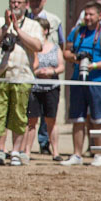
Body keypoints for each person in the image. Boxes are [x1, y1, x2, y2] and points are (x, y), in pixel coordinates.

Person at [0, 0, 44, 166]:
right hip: (0, 75)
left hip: (22, 76)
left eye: (19, 2)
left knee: (19, 115)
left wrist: (18, 30)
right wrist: (6, 28)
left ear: (25, 5)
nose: (15, 5)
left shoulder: (33, 25)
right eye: (13, 2)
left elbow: (38, 46)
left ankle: (16, 152)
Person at [61, 1, 101, 167]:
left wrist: (94, 65)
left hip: (98, 81)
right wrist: (76, 58)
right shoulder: (77, 32)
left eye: (91, 14)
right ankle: (77, 154)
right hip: (77, 80)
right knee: (78, 118)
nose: (88, 18)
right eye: (86, 14)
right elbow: (66, 51)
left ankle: (99, 154)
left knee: (99, 119)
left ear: (99, 16)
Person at [26, 18, 64, 162]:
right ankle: (27, 152)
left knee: (51, 120)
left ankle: (56, 152)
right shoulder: (32, 47)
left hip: (51, 87)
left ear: (46, 31)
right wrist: (37, 71)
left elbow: (61, 66)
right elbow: (29, 65)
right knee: (31, 121)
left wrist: (51, 71)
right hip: (35, 87)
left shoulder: (55, 47)